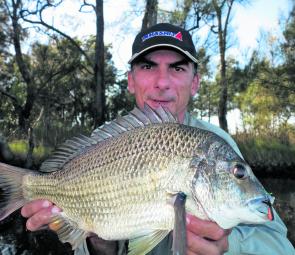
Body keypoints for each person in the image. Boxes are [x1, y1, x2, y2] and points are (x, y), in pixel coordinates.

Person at [21, 23, 294, 255]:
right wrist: (96, 242)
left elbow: (280, 245)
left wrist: (228, 243)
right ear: (130, 80)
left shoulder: (216, 145)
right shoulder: (101, 143)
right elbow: (89, 241)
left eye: (177, 68)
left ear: (195, 82)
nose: (162, 82)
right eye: (148, 66)